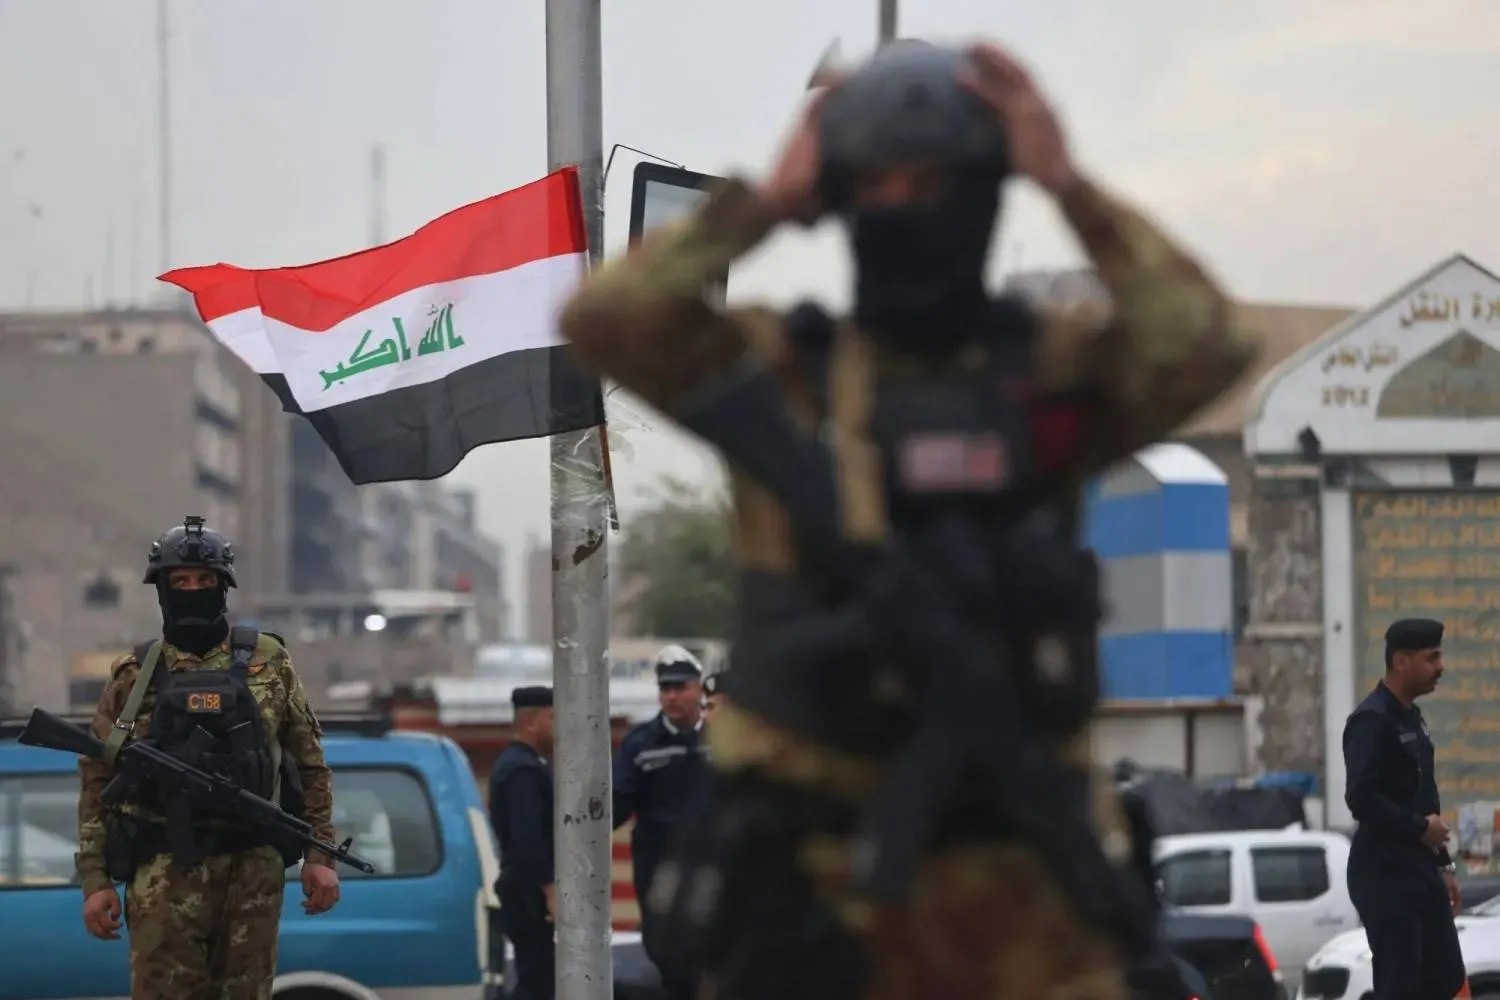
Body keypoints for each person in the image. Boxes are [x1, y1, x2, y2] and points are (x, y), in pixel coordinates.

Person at [559, 38, 1255, 1000]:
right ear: (839, 196)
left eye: (931, 180)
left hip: (1023, 877)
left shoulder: (1047, 374)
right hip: (813, 885)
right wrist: (766, 198)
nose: (903, 206)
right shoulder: (784, 378)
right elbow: (606, 320)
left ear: (985, 189)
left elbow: (1210, 340)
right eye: (874, 181)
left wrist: (1066, 183)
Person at [75, 515, 340, 1000]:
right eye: (181, 582)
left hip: (252, 870)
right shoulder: (134, 675)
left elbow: (309, 763)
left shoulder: (269, 661)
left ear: (223, 587)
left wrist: (319, 855)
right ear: (163, 589)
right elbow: (97, 777)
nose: (193, 590)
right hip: (162, 873)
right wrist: (95, 881)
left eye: (204, 581)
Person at [1343, 617, 1465, 1000]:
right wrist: (1416, 828)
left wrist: (1443, 864)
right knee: (1401, 984)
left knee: (1446, 977)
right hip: (1385, 873)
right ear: (1401, 662)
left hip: (1420, 868)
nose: (1440, 667)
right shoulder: (1371, 721)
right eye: (1432, 658)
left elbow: (1425, 797)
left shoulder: (1411, 716)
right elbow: (1360, 798)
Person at [613, 646, 712, 1000]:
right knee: (667, 954)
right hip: (659, 866)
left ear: (699, 688)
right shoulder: (641, 745)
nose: (671, 697)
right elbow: (616, 804)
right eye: (664, 689)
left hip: (711, 861)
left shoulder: (721, 737)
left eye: (680, 687)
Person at [490, 686, 557, 1000]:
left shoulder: (525, 764)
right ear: (535, 721)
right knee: (538, 985)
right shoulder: (522, 770)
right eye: (554, 718)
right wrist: (550, 890)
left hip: (526, 891)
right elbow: (528, 837)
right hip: (529, 894)